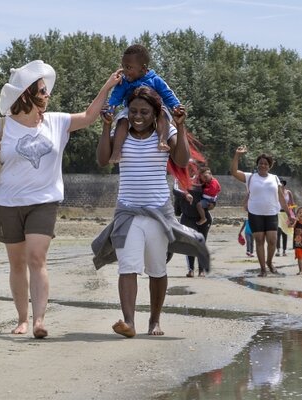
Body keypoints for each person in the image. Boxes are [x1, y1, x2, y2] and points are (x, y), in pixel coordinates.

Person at [0, 60, 121, 339]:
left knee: (37, 257)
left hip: (44, 201)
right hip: (7, 204)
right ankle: (22, 319)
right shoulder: (0, 127)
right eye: (43, 90)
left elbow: (89, 116)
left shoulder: (57, 122)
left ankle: (39, 320)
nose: (48, 95)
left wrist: (107, 86)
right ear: (27, 94)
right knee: (17, 263)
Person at [92, 86, 209, 338]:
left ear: (155, 112)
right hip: (127, 212)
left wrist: (181, 125)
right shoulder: (121, 133)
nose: (138, 116)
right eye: (133, 110)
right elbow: (102, 160)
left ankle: (154, 321)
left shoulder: (165, 134)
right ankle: (129, 323)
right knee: (128, 266)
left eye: (144, 111)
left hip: (158, 212)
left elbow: (180, 160)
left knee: (157, 268)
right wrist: (105, 127)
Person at [107, 44, 182, 163]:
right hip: (131, 110)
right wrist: (110, 108)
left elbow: (167, 94)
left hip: (155, 109)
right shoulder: (124, 82)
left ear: (142, 68)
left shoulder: (155, 80)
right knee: (122, 121)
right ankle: (116, 152)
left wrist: (176, 106)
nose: (125, 71)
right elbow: (116, 96)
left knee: (162, 113)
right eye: (123, 67)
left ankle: (162, 140)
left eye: (129, 67)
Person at [230, 145, 293, 277]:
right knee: (259, 240)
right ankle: (263, 269)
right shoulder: (250, 177)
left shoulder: (275, 178)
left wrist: (289, 214)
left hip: (271, 213)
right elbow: (234, 172)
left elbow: (281, 198)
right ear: (257, 164)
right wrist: (237, 155)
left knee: (272, 240)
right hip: (255, 214)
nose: (262, 165)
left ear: (269, 166)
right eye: (260, 163)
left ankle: (269, 262)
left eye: (265, 163)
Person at [173, 172, 213, 278]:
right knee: (191, 242)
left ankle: (201, 270)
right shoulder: (179, 179)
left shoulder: (201, 179)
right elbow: (175, 190)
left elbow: (213, 193)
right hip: (187, 217)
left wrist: (212, 204)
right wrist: (186, 194)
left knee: (201, 242)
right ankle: (191, 269)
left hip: (203, 218)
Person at [276, 179, 295, 257]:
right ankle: (278, 250)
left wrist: (293, 214)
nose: (280, 184)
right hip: (278, 213)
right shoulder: (276, 192)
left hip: (286, 213)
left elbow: (292, 204)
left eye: (281, 183)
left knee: (285, 232)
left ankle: (284, 250)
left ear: (283, 184)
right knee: (278, 232)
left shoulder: (288, 192)